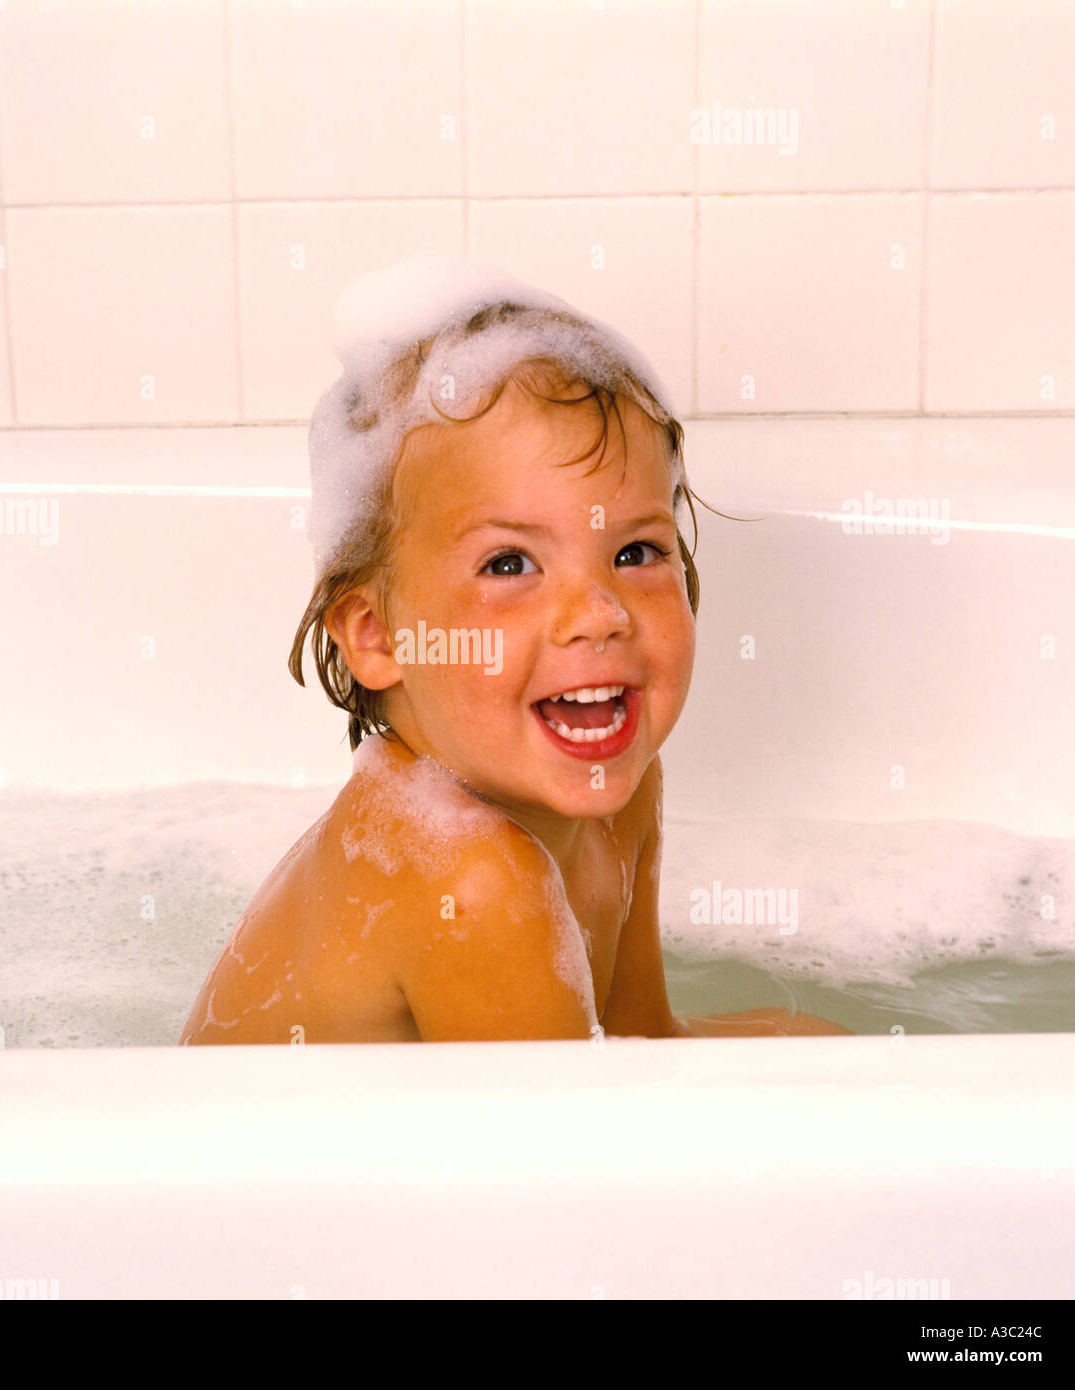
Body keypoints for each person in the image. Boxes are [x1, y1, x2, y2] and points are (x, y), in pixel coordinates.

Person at [180, 253, 849, 1044]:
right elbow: (576, 1158)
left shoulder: (622, 793)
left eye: (635, 552)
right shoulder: (470, 882)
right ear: (378, 637)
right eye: (509, 565)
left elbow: (643, 1040)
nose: (597, 614)